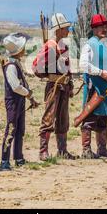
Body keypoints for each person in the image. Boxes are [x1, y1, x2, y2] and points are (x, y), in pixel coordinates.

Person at [32, 13, 77, 161]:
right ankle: (43, 151)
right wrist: (46, 74)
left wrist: (69, 84)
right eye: (66, 28)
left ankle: (62, 150)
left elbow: (67, 67)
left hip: (63, 86)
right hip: (53, 86)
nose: (68, 31)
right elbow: (36, 67)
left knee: (63, 119)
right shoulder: (50, 45)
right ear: (58, 30)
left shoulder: (63, 46)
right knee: (49, 118)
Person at [76, 14, 107, 159]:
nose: (104, 29)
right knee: (90, 117)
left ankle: (102, 149)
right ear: (94, 28)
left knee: (103, 118)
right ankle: (86, 150)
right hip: (94, 88)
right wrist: (100, 73)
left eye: (105, 26)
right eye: (100, 26)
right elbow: (83, 65)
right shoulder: (89, 44)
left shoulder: (105, 45)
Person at [1, 33, 35, 170]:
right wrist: (28, 93)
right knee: (11, 129)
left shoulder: (15, 64)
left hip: (19, 100)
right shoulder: (11, 66)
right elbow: (15, 86)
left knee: (20, 130)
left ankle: (18, 157)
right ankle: (4, 160)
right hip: (13, 101)